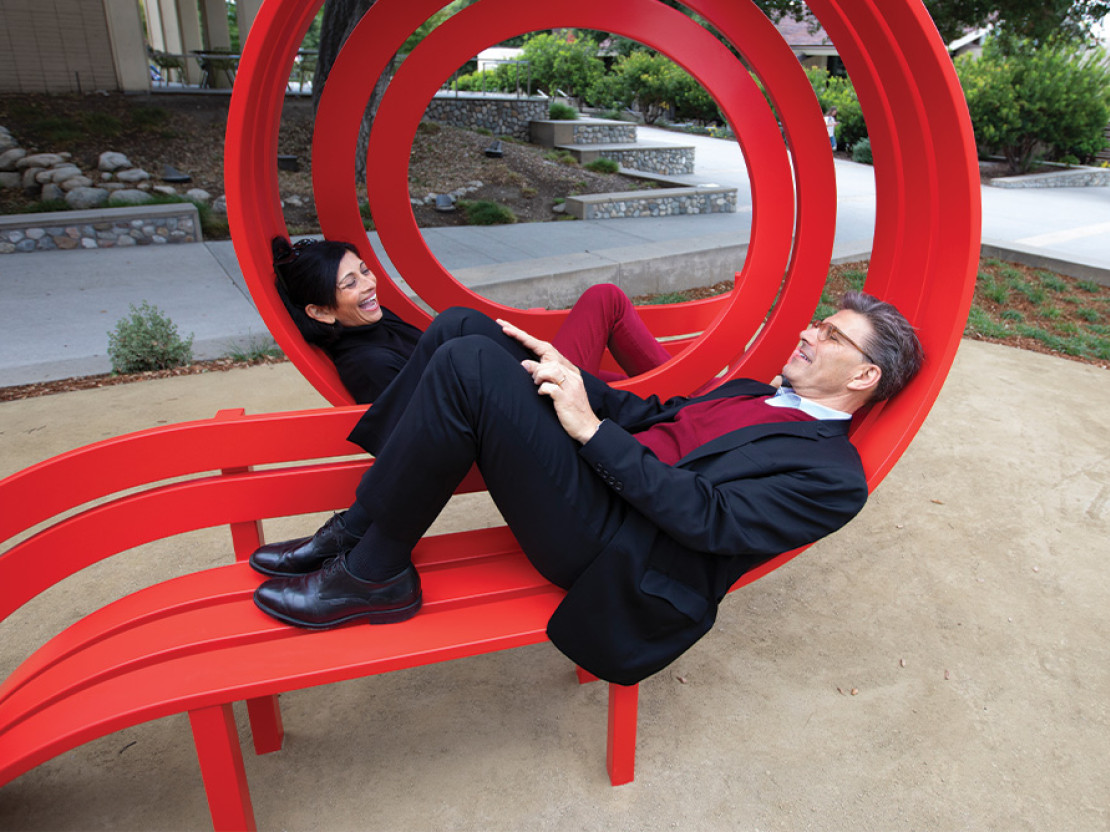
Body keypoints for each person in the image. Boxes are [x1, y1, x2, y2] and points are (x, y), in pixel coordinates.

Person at [250, 293, 924, 684]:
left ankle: (373, 572)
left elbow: (706, 518)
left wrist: (588, 430)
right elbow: (655, 417)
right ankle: (363, 522)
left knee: (469, 365)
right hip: (599, 481)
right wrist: (573, 377)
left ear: (864, 378)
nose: (808, 332)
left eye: (831, 335)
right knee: (462, 326)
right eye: (819, 322)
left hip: (616, 546)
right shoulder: (760, 392)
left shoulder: (833, 480)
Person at [271, 236, 673, 404]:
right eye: (351, 282)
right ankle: (690, 390)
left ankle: (686, 389)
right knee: (640, 383)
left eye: (364, 269)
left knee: (605, 299)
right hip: (534, 401)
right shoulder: (368, 365)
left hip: (527, 377)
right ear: (320, 312)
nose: (370, 284)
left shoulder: (370, 323)